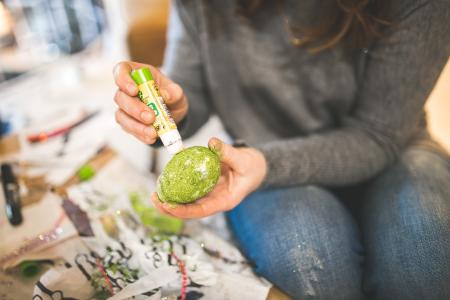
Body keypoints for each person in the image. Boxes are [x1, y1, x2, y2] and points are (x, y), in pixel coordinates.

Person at [112, 0, 450, 298]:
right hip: (261, 158)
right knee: (312, 262)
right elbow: (193, 91)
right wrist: (171, 110)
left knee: (426, 251)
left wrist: (264, 163)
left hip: (389, 147)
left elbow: (378, 134)